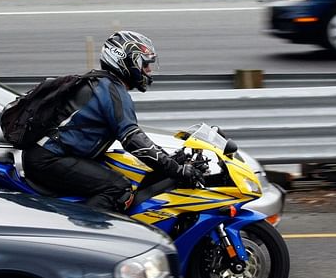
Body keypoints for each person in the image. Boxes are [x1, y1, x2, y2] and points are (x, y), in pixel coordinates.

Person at [22, 30, 202, 212]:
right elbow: (134, 140)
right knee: (119, 189)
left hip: (49, 155)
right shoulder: (112, 92)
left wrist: (172, 160)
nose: (148, 71)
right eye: (145, 64)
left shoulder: (104, 84)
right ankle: (85, 238)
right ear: (127, 62)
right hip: (48, 159)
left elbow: (136, 139)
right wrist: (176, 170)